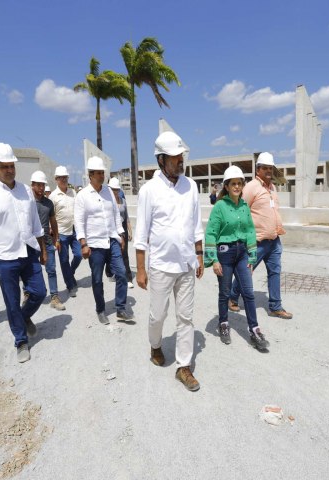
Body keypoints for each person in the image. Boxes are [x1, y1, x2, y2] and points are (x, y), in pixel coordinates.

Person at [135, 131, 204, 392]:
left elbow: (196, 224)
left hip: (186, 264)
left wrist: (199, 254)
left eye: (181, 157)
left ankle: (183, 367)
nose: (180, 161)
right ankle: (155, 345)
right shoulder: (149, 190)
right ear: (161, 160)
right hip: (161, 265)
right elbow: (141, 234)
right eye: (174, 158)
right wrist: (141, 269)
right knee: (158, 315)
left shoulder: (191, 186)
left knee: (186, 317)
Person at [0, 142, 47, 363]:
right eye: (4, 166)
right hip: (5, 259)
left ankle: (22, 318)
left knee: (39, 292)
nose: (9, 170)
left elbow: (36, 224)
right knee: (12, 302)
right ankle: (21, 341)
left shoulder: (26, 190)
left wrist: (43, 250)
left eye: (12, 165)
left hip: (29, 252)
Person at [204, 166, 269, 350]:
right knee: (224, 293)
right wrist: (214, 259)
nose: (237, 186)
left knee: (248, 292)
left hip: (242, 254)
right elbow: (211, 233)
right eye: (233, 183)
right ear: (226, 185)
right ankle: (223, 323)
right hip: (224, 254)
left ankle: (254, 330)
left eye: (239, 183)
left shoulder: (244, 205)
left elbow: (250, 230)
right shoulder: (220, 207)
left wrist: (252, 256)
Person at [229, 152, 293, 319]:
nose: (268, 171)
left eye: (270, 168)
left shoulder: (272, 187)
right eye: (265, 168)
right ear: (258, 169)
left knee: (275, 272)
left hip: (274, 240)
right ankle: (232, 297)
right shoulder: (251, 187)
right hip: (256, 241)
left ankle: (275, 306)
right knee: (246, 272)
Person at [74, 156, 132, 324]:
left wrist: (121, 234)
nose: (102, 176)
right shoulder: (83, 196)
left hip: (112, 240)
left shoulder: (108, 192)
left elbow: (115, 214)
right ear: (90, 175)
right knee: (97, 279)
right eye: (98, 173)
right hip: (94, 244)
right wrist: (83, 244)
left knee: (121, 273)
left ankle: (120, 308)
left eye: (103, 172)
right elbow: (79, 221)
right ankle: (100, 309)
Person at [29, 170, 65, 311]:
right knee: (31, 271)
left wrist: (57, 238)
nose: (41, 188)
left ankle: (54, 297)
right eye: (38, 185)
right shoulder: (27, 202)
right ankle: (28, 295)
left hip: (48, 242)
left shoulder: (49, 203)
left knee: (51, 270)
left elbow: (53, 222)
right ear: (32, 185)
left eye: (43, 185)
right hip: (32, 243)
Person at [50, 166, 82, 298]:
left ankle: (71, 271)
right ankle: (70, 285)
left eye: (65, 177)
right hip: (61, 233)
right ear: (56, 179)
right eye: (61, 178)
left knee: (79, 255)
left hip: (74, 230)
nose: (63, 180)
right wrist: (54, 235)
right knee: (64, 260)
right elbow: (50, 216)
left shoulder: (73, 193)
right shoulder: (52, 196)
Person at [107, 177, 134, 288]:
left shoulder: (123, 201)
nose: (115, 191)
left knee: (124, 253)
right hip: (112, 228)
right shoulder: (108, 202)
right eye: (113, 189)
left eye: (117, 189)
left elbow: (126, 216)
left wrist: (130, 230)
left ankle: (128, 278)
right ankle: (109, 272)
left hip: (122, 228)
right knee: (111, 253)